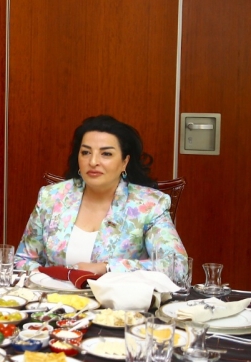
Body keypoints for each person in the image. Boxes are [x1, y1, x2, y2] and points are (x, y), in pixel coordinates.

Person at [15, 114, 187, 274]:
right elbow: (23, 260)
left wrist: (107, 268)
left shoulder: (149, 205)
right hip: (55, 295)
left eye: (106, 154)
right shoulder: (52, 196)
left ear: (124, 162)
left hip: (118, 297)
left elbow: (176, 266)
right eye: (86, 152)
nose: (93, 161)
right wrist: (49, 278)